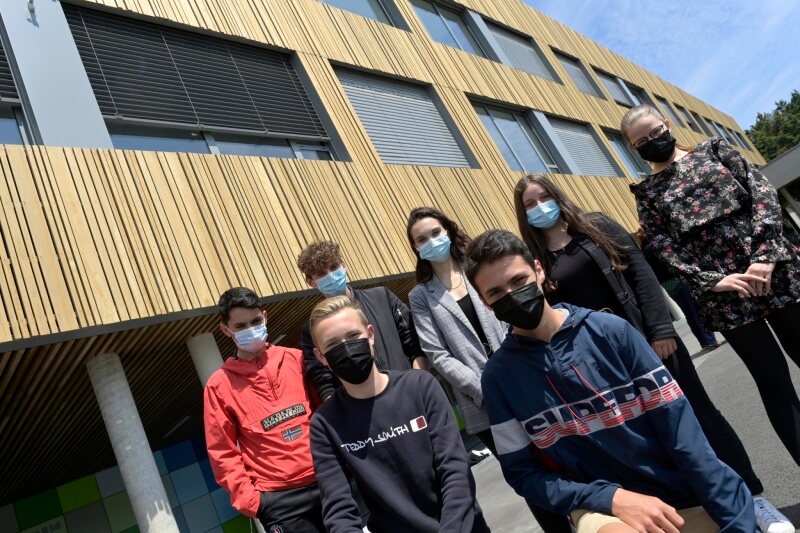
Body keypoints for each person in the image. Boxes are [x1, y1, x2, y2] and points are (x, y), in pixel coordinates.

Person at [513, 173, 790, 533]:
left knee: (702, 420)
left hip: (651, 343)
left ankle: (752, 499)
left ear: (557, 196)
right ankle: (705, 511)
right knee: (657, 439)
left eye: (543, 197)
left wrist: (660, 330)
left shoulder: (596, 226)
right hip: (606, 368)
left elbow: (642, 274)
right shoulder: (535, 261)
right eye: (529, 204)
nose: (539, 207)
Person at [465, 229, 754, 533]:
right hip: (600, 508)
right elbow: (523, 474)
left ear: (538, 270)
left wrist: (735, 521)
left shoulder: (612, 332)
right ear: (485, 303)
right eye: (496, 293)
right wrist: (610, 498)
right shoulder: (499, 378)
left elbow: (685, 438)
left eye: (518, 280)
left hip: (683, 497)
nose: (511, 295)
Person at [624, 104, 800, 470]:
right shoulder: (648, 193)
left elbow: (762, 194)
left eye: (656, 132)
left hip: (775, 274)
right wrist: (712, 280)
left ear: (667, 124)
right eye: (642, 141)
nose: (653, 141)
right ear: (633, 149)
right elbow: (661, 246)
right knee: (774, 384)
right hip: (726, 298)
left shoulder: (715, 150)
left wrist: (766, 254)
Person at [406, 207, 570, 533]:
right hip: (481, 401)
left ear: (449, 231)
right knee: (530, 476)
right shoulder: (420, 295)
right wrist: (487, 387)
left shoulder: (479, 270)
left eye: (435, 233)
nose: (431, 242)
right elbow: (437, 354)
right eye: (422, 239)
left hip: (526, 375)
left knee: (565, 456)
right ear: (416, 248)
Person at [307, 295, 490, 533]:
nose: (346, 348)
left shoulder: (420, 387)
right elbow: (338, 508)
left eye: (353, 336)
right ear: (320, 356)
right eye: (332, 345)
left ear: (370, 335)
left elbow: (455, 470)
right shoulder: (325, 424)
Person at [204, 287, 324, 532]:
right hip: (279, 502)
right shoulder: (219, 386)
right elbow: (222, 453)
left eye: (256, 321)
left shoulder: (297, 359)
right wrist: (253, 502)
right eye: (240, 326)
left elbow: (327, 412)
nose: (251, 329)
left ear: (265, 317)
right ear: (225, 330)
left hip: (329, 480)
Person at [296, 240, 428, 402]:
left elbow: (414, 342)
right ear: (311, 282)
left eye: (334, 267)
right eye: (321, 274)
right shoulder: (312, 329)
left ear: (344, 265)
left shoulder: (382, 297)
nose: (331, 275)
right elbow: (322, 378)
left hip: (411, 392)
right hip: (362, 410)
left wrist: (418, 383)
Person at [636, 227, 723, 350]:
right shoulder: (657, 246)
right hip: (677, 279)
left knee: (689, 313)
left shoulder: (643, 250)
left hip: (667, 285)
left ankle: (704, 341)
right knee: (696, 311)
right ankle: (709, 340)